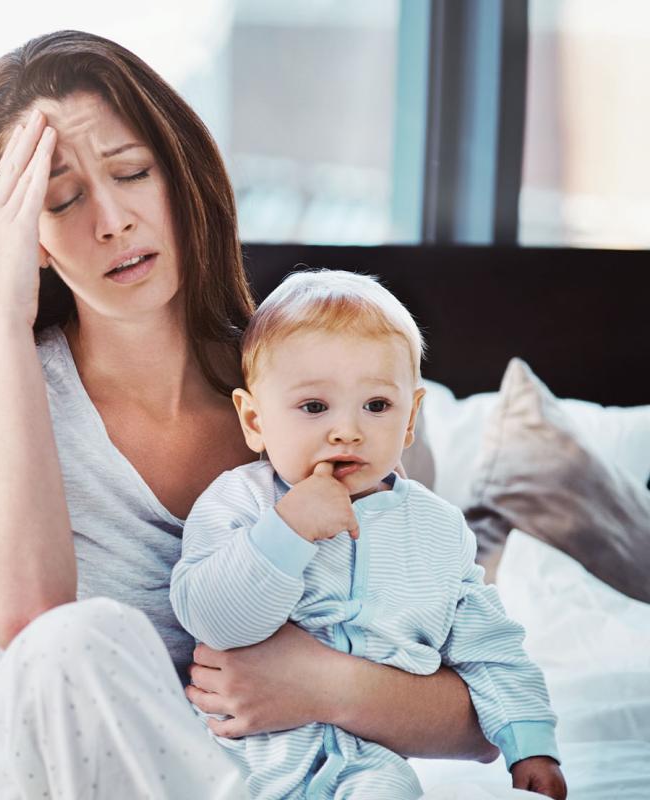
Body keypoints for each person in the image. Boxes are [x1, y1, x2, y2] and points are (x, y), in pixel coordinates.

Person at [0, 29, 504, 799]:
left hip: (252, 779)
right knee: (77, 639)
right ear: (26, 240)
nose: (112, 220)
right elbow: (27, 616)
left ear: (179, 175)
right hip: (28, 782)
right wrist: (1, 317)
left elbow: (483, 716)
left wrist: (319, 686)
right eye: (63, 199)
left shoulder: (326, 405)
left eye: (133, 172)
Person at [170, 270, 568, 800]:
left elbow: (488, 646)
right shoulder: (239, 502)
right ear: (255, 420)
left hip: (366, 763)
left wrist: (531, 743)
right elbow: (211, 617)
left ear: (410, 420)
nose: (347, 430)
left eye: (377, 406)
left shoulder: (437, 530)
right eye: (314, 407)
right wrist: (289, 529)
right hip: (239, 757)